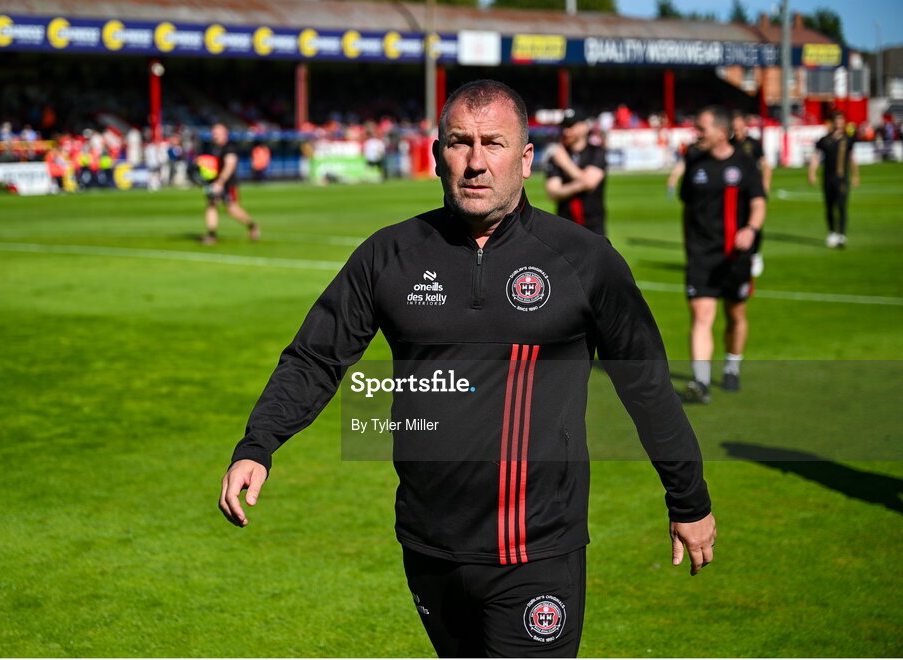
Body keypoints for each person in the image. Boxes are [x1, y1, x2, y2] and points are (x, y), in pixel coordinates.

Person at [219, 80, 716, 658]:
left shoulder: (585, 261)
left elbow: (646, 385)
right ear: (436, 156)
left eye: (494, 144)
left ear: (526, 159)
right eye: (460, 143)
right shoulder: (389, 256)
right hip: (428, 547)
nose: (476, 163)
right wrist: (258, 443)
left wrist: (689, 499)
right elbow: (315, 356)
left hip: (537, 551)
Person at [677, 107, 766, 402]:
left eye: (701, 128)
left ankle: (732, 366)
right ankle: (700, 382)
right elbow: (687, 208)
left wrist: (751, 229)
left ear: (721, 131)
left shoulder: (745, 163)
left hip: (735, 256)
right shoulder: (694, 161)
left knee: (735, 314)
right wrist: (689, 245)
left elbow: (758, 203)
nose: (696, 134)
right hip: (702, 255)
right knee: (701, 315)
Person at [544, 112, 608, 236]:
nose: (566, 131)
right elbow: (552, 192)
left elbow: (590, 182)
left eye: (571, 126)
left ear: (584, 127)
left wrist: (565, 163)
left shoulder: (596, 152)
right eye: (564, 127)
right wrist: (581, 184)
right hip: (565, 225)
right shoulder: (556, 156)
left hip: (593, 224)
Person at [198, 123, 259, 244]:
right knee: (211, 204)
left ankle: (252, 225)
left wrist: (220, 182)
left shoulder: (229, 148)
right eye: (213, 133)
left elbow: (229, 166)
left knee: (231, 209)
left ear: (225, 133)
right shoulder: (215, 148)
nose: (215, 136)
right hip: (215, 182)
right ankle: (212, 235)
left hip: (227, 183)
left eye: (217, 133)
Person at [808, 111, 859, 249]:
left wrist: (855, 174)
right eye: (836, 121)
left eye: (841, 121)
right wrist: (812, 172)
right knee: (829, 206)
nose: (839, 124)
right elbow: (816, 157)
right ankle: (832, 233)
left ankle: (842, 235)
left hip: (842, 178)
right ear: (832, 123)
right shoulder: (824, 140)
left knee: (842, 206)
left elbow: (852, 158)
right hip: (827, 178)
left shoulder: (847, 139)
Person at [730, 111, 771, 277]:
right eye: (735, 128)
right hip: (735, 191)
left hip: (752, 190)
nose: (737, 131)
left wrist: (764, 187)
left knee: (755, 223)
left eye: (740, 127)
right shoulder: (730, 144)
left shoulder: (753, 143)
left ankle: (756, 255)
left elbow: (766, 166)